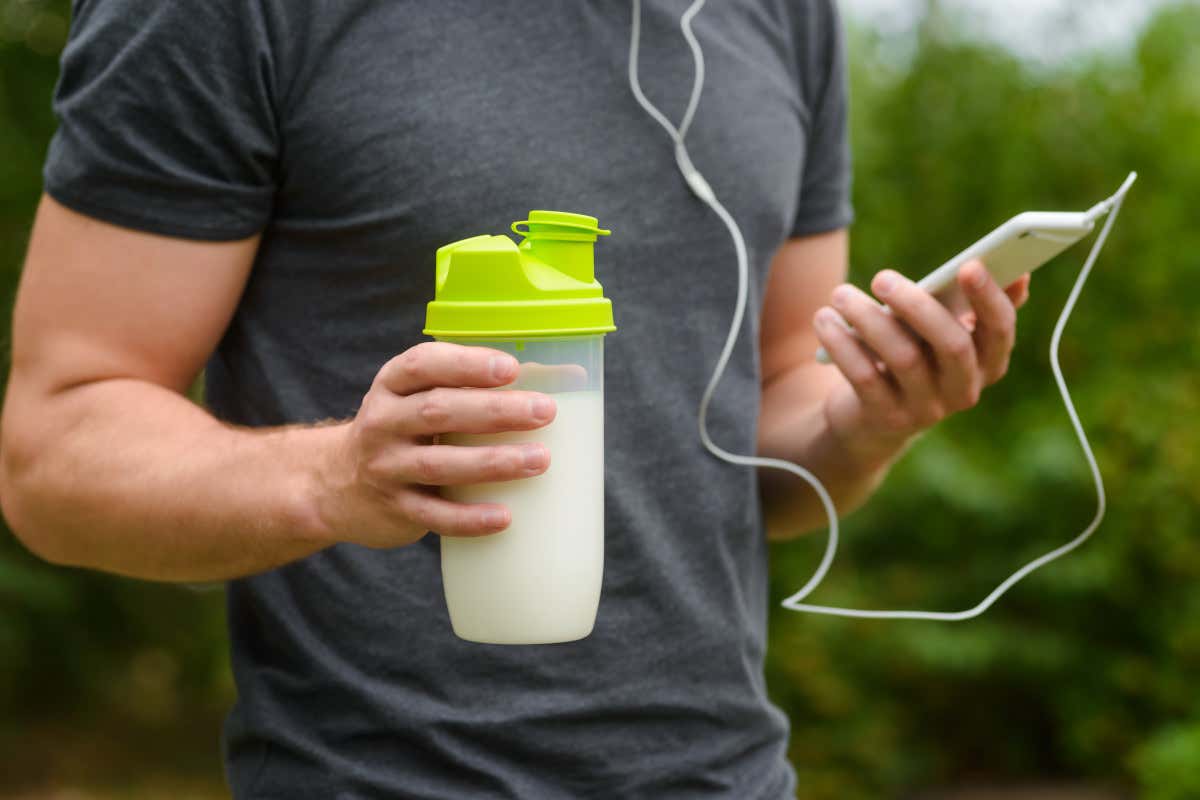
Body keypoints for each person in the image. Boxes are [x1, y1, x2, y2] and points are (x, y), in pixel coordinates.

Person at [0, 1, 1029, 797]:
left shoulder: (777, 13)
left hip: (732, 775)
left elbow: (768, 430)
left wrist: (868, 418)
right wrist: (333, 477)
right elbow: (55, 448)